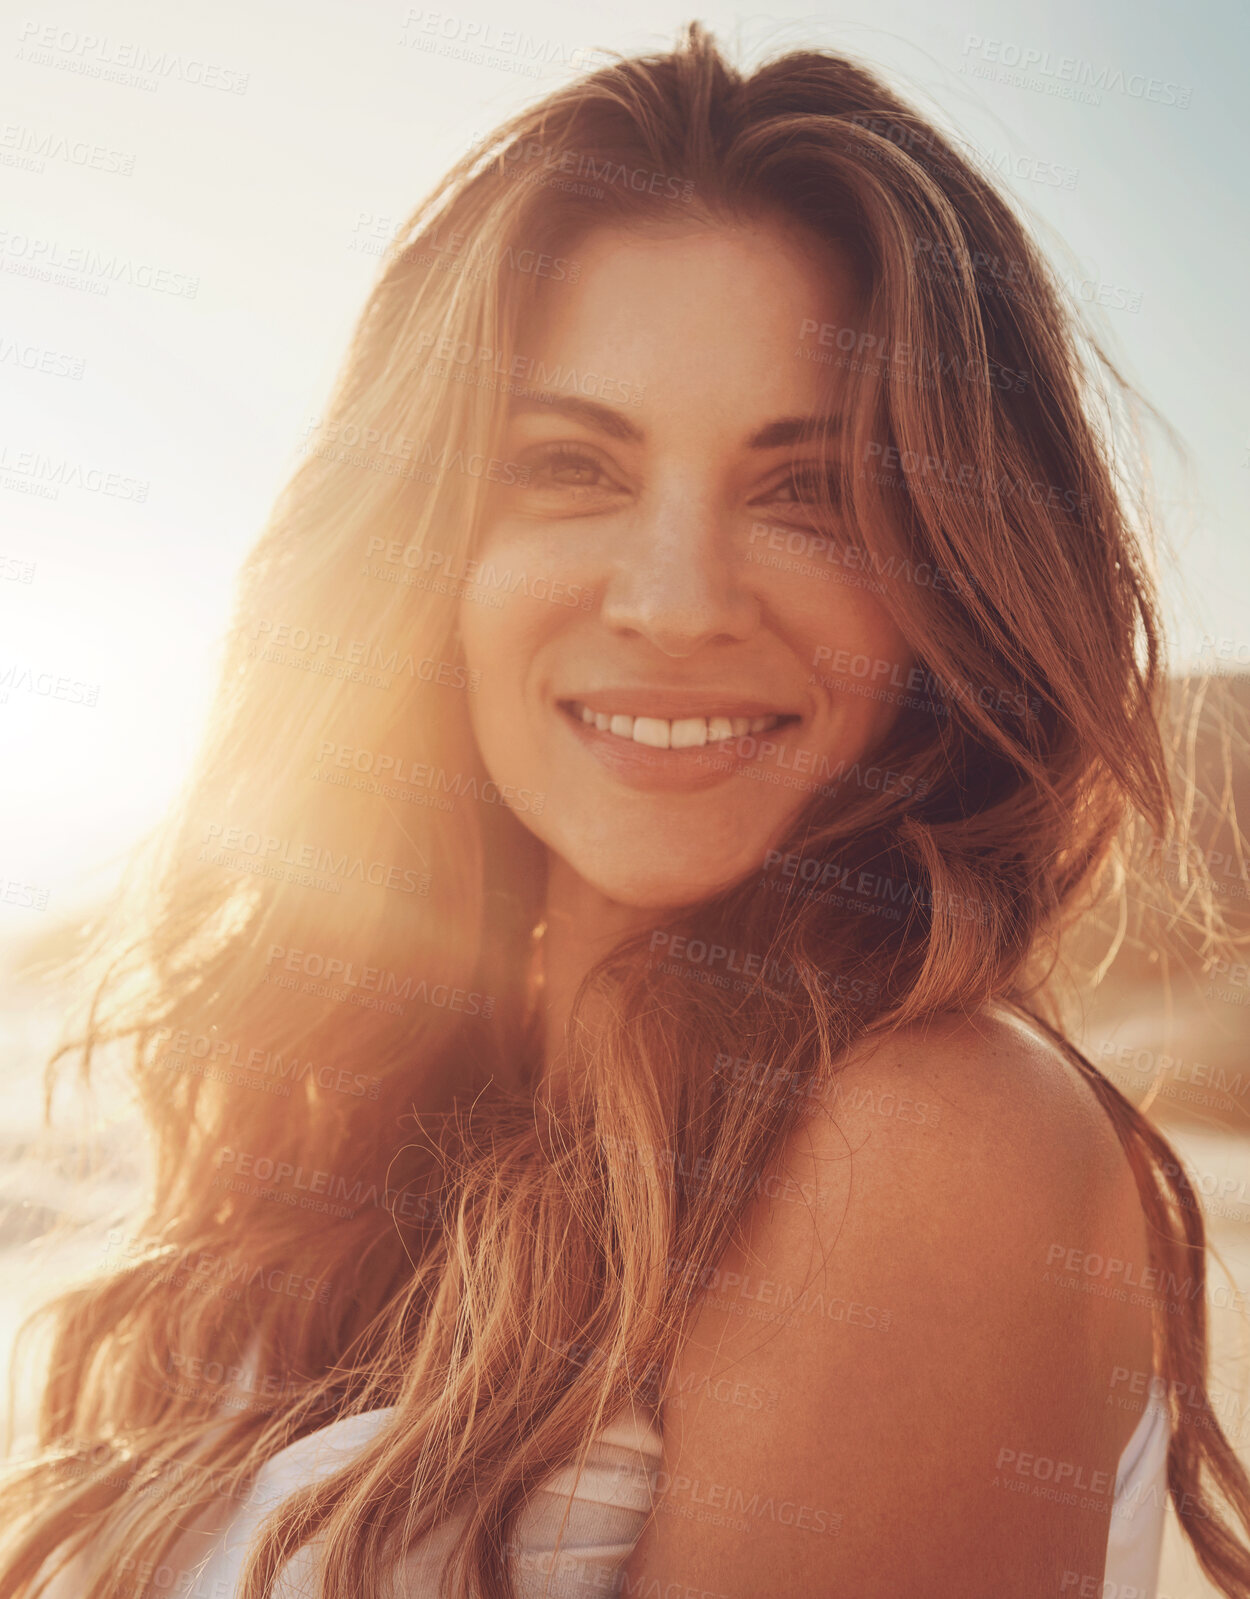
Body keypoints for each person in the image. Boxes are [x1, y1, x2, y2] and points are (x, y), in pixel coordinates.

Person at [5, 21, 1249, 1599]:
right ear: (419, 549)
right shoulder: (352, 1118)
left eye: (808, 491)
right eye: (569, 467)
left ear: (952, 572)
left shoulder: (931, 1144)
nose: (672, 602)